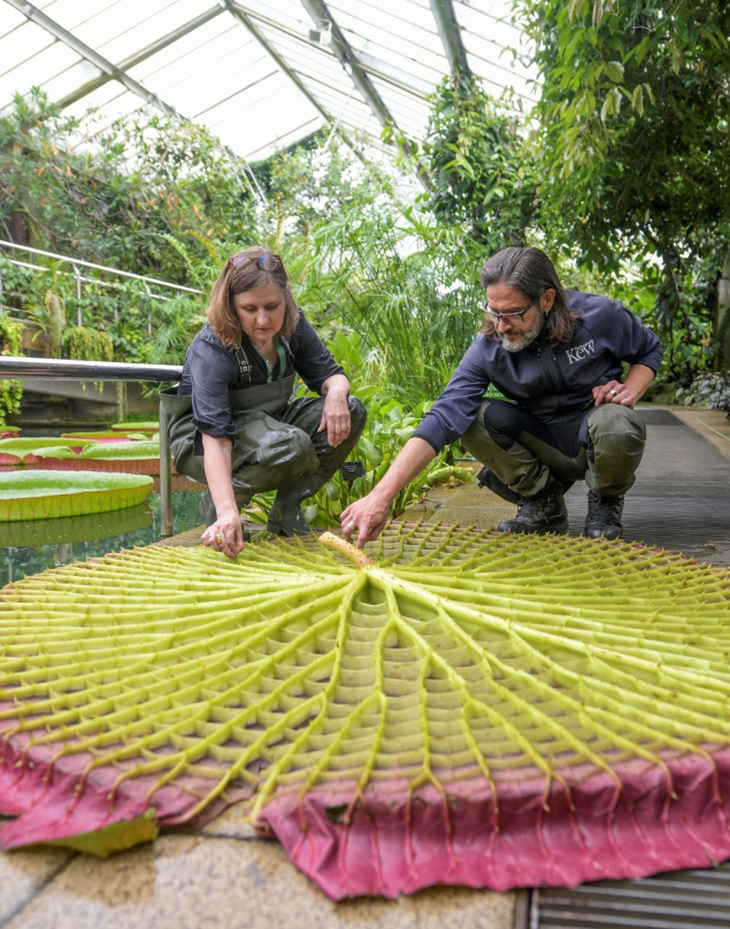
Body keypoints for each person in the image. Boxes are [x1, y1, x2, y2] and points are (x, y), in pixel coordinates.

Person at [341, 246, 661, 548]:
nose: (502, 326)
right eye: (493, 312)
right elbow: (443, 416)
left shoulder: (599, 316)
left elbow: (648, 350)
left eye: (513, 314)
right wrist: (380, 496)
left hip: (593, 433)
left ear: (547, 299)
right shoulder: (488, 347)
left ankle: (605, 502)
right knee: (471, 418)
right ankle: (542, 504)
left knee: (618, 422)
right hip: (541, 441)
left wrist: (628, 389)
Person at [162, 246, 366, 559]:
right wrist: (228, 508)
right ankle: (221, 510)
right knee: (289, 445)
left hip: (271, 423)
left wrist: (337, 393)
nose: (262, 319)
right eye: (249, 308)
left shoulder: (293, 327)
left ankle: (286, 510)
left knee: (352, 410)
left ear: (286, 299)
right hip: (200, 439)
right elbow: (215, 437)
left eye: (272, 306)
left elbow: (332, 376)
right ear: (231, 305)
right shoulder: (212, 349)